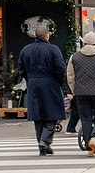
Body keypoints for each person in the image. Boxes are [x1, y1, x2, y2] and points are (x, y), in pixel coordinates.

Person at [19, 22, 67, 156]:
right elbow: (60, 67)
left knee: (38, 115)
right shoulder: (53, 49)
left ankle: (42, 144)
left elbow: (21, 68)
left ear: (35, 35)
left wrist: (28, 79)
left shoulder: (26, 50)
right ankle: (44, 141)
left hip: (33, 82)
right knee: (53, 113)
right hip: (50, 82)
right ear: (47, 36)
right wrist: (59, 81)